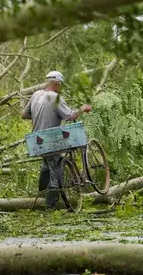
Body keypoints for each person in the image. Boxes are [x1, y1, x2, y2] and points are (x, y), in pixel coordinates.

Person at [22, 71, 92, 210]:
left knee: (47, 165)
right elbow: (70, 116)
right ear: (56, 82)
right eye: (61, 85)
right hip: (51, 139)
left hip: (37, 140)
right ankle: (50, 206)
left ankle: (41, 196)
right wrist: (82, 109)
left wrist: (38, 117)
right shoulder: (55, 98)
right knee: (56, 170)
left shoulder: (36, 95)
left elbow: (24, 114)